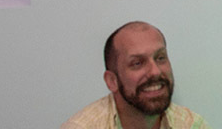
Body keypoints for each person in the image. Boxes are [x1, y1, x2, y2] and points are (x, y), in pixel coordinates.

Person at [62, 21, 211, 129]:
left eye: (160, 58)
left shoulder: (190, 125)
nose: (155, 71)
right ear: (112, 81)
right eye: (137, 63)